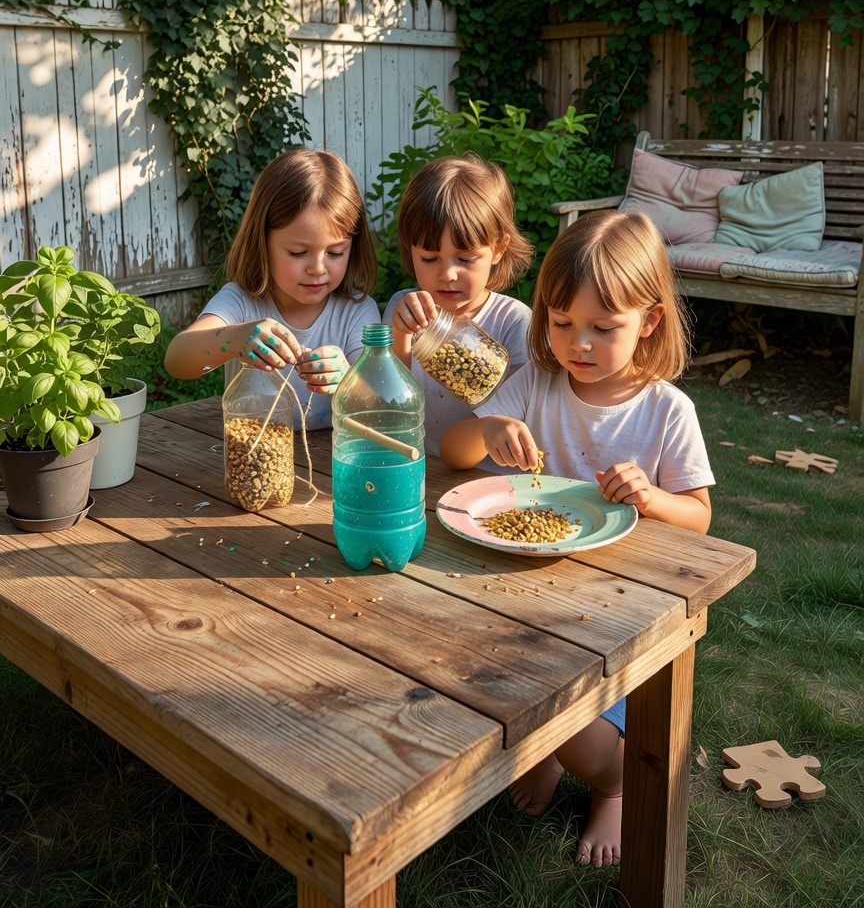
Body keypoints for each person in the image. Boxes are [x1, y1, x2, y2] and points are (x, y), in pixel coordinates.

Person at [440, 210, 713, 867]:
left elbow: (699, 516)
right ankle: (545, 752)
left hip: (617, 611)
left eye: (601, 328)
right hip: (527, 595)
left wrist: (651, 498)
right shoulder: (536, 385)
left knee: (580, 739)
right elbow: (453, 451)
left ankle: (616, 783)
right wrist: (487, 432)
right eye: (561, 324)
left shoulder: (664, 410)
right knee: (477, 678)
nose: (576, 345)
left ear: (648, 321)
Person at [164, 148, 379, 427]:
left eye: (335, 253)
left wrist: (349, 379)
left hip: (333, 462)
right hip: (256, 458)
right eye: (298, 253)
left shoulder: (357, 313)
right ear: (262, 243)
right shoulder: (241, 302)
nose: (318, 268)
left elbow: (377, 405)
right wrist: (234, 338)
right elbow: (177, 360)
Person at [383, 154, 534, 463]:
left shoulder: (514, 322)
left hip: (489, 478)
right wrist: (400, 336)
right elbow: (389, 401)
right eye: (429, 258)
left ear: (498, 250)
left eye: (465, 259)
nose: (448, 274)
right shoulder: (403, 311)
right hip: (413, 466)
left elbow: (523, 408)